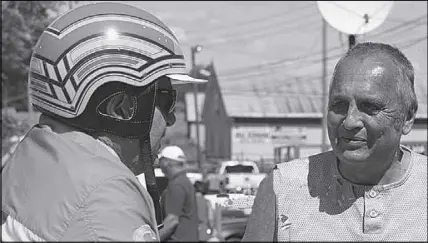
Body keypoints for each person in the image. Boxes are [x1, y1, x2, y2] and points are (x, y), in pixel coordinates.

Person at [1, 2, 206, 241]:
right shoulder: (105, 200)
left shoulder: (31, 157)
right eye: (167, 100)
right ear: (122, 109)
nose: (171, 119)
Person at [242, 42, 427, 241]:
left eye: (370, 106)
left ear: (408, 117)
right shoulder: (282, 189)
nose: (349, 121)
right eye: (339, 105)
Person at [158, 146, 199, 241]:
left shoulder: (176, 184)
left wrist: (155, 238)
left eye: (160, 160)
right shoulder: (184, 181)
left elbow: (172, 221)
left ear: (166, 162)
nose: (159, 163)